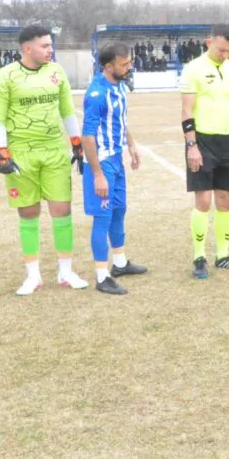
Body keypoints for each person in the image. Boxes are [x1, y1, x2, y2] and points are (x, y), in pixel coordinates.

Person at [0, 25, 88, 296]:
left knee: (62, 210)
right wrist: (2, 152)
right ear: (27, 48)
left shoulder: (56, 72)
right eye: (44, 46)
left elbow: (67, 110)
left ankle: (66, 272)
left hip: (55, 151)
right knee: (28, 213)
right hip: (21, 155)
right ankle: (33, 275)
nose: (50, 50)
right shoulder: (5, 76)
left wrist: (76, 144)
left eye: (50, 45)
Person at [181, 24, 229, 279]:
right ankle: (199, 257)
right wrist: (192, 146)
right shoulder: (193, 69)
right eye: (220, 49)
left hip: (226, 141)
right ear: (209, 42)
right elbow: (187, 111)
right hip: (202, 140)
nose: (224, 55)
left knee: (224, 200)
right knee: (203, 201)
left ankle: (223, 255)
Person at [82, 42, 146, 295]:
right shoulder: (96, 94)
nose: (129, 67)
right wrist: (97, 174)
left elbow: (119, 120)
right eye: (124, 64)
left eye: (130, 62)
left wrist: (131, 145)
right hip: (101, 163)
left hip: (116, 159)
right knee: (103, 216)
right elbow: (88, 137)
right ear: (109, 66)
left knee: (119, 210)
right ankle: (102, 276)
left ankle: (119, 263)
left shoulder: (119, 85)